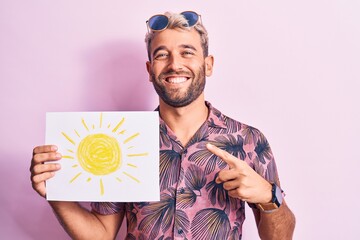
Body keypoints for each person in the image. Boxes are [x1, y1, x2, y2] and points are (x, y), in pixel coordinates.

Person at [31, 11, 295, 240]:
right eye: (162, 55)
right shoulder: (123, 140)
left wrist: (268, 196)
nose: (174, 64)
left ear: (208, 64)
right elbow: (101, 234)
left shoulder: (249, 141)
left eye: (186, 52)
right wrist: (56, 193)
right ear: (149, 69)